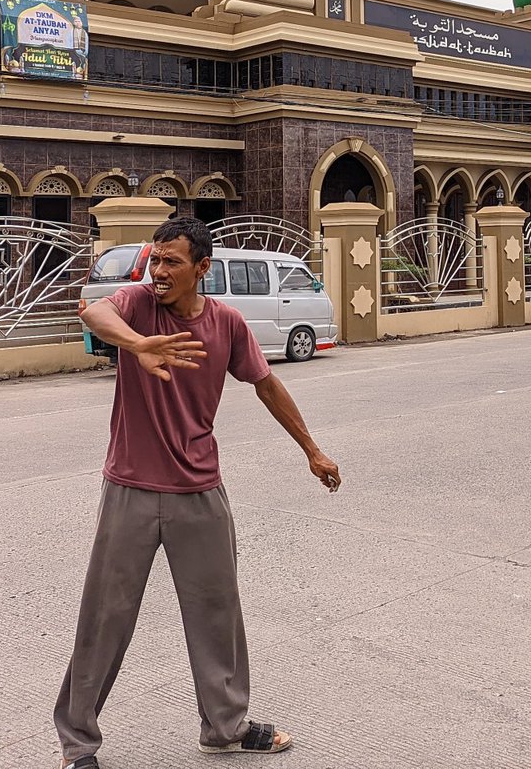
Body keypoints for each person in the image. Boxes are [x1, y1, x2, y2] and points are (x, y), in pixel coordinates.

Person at [57, 216, 340, 768]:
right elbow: (92, 311)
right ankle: (78, 743)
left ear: (201, 269)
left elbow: (266, 384)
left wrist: (312, 449)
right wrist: (139, 346)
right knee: (104, 617)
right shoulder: (138, 304)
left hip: (199, 489)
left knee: (217, 614)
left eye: (171, 262)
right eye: (154, 260)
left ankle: (226, 727)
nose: (158, 272)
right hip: (131, 488)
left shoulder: (227, 324)